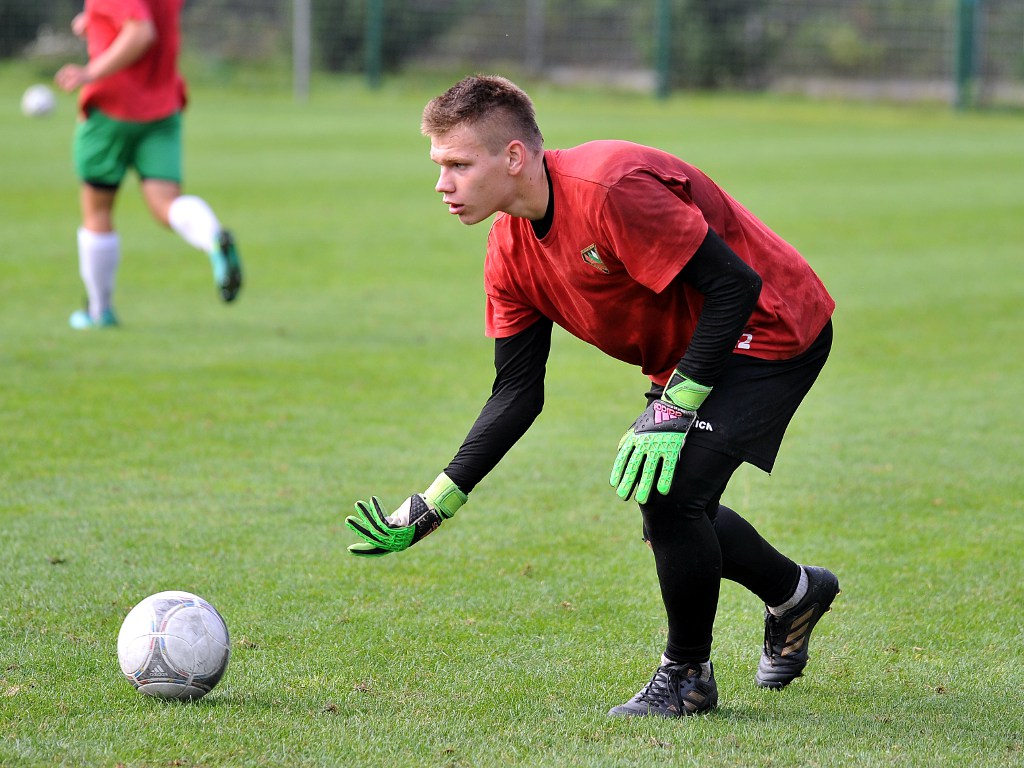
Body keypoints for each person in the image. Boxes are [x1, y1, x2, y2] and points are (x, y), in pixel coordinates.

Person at [345, 74, 840, 717]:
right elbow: (517, 392)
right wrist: (435, 503)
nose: (443, 183)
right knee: (667, 505)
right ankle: (796, 593)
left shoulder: (611, 189)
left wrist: (675, 405)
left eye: (459, 165)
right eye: (439, 165)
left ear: (514, 157)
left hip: (772, 326)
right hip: (695, 346)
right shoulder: (508, 251)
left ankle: (687, 677)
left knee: (670, 496)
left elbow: (736, 287)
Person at [54, 0, 242, 330]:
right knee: (166, 204)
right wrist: (97, 19)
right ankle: (212, 237)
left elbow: (141, 31)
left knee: (98, 211)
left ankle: (99, 312)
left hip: (111, 108)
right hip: (162, 108)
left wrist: (89, 72)